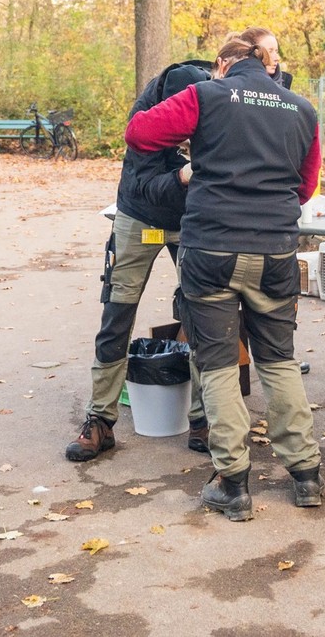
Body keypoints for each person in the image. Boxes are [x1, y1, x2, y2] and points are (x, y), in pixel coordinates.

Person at [125, 29, 322, 522]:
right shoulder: (303, 110)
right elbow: (306, 187)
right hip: (276, 251)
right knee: (279, 359)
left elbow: (140, 133)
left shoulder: (206, 94)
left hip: (212, 248)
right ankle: (306, 474)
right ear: (270, 65)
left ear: (222, 65)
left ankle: (232, 483)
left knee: (216, 365)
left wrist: (197, 159)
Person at [66, 60, 213, 462]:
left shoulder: (209, 98)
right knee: (117, 312)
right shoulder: (145, 118)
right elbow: (147, 186)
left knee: (204, 313)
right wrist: (184, 174)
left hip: (192, 220)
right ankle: (99, 421)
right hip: (141, 215)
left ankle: (203, 419)